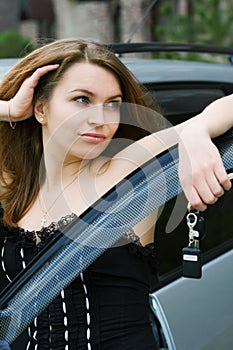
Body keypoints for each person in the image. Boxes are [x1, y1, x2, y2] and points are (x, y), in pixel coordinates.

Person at [0, 38, 232, 350]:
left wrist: (195, 129)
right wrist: (10, 109)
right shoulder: (11, 187)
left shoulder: (127, 170)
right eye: (82, 100)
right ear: (40, 108)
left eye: (113, 103)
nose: (101, 119)